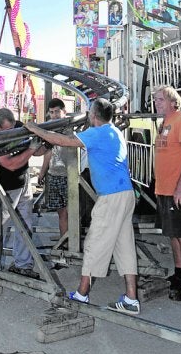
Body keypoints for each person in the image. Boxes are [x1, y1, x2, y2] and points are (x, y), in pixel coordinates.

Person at [26, 97, 140, 314]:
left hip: (111, 197)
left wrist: (34, 128)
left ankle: (81, 294)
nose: (88, 116)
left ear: (94, 116)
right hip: (125, 194)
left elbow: (62, 141)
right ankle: (131, 299)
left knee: (93, 244)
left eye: (89, 113)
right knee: (124, 246)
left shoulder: (97, 133)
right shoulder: (114, 131)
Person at [153, 86, 181, 301]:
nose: (157, 103)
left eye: (161, 99)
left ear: (173, 102)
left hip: (178, 192)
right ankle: (179, 274)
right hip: (164, 189)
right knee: (173, 235)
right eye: (155, 100)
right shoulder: (165, 124)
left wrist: (180, 187)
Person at [0, 107, 45, 278]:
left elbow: (38, 150)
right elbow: (10, 164)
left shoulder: (19, 127)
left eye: (13, 127)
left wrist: (46, 141)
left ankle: (22, 264)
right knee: (0, 228)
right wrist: (31, 150)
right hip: (5, 188)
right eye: (8, 130)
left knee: (25, 225)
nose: (12, 132)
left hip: (24, 182)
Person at [38, 98, 68, 242]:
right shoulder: (49, 130)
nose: (54, 115)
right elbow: (47, 153)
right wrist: (42, 172)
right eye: (52, 112)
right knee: (61, 212)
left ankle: (71, 240)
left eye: (57, 112)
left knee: (72, 212)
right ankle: (64, 240)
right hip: (54, 175)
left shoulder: (70, 128)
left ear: (64, 112)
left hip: (69, 176)